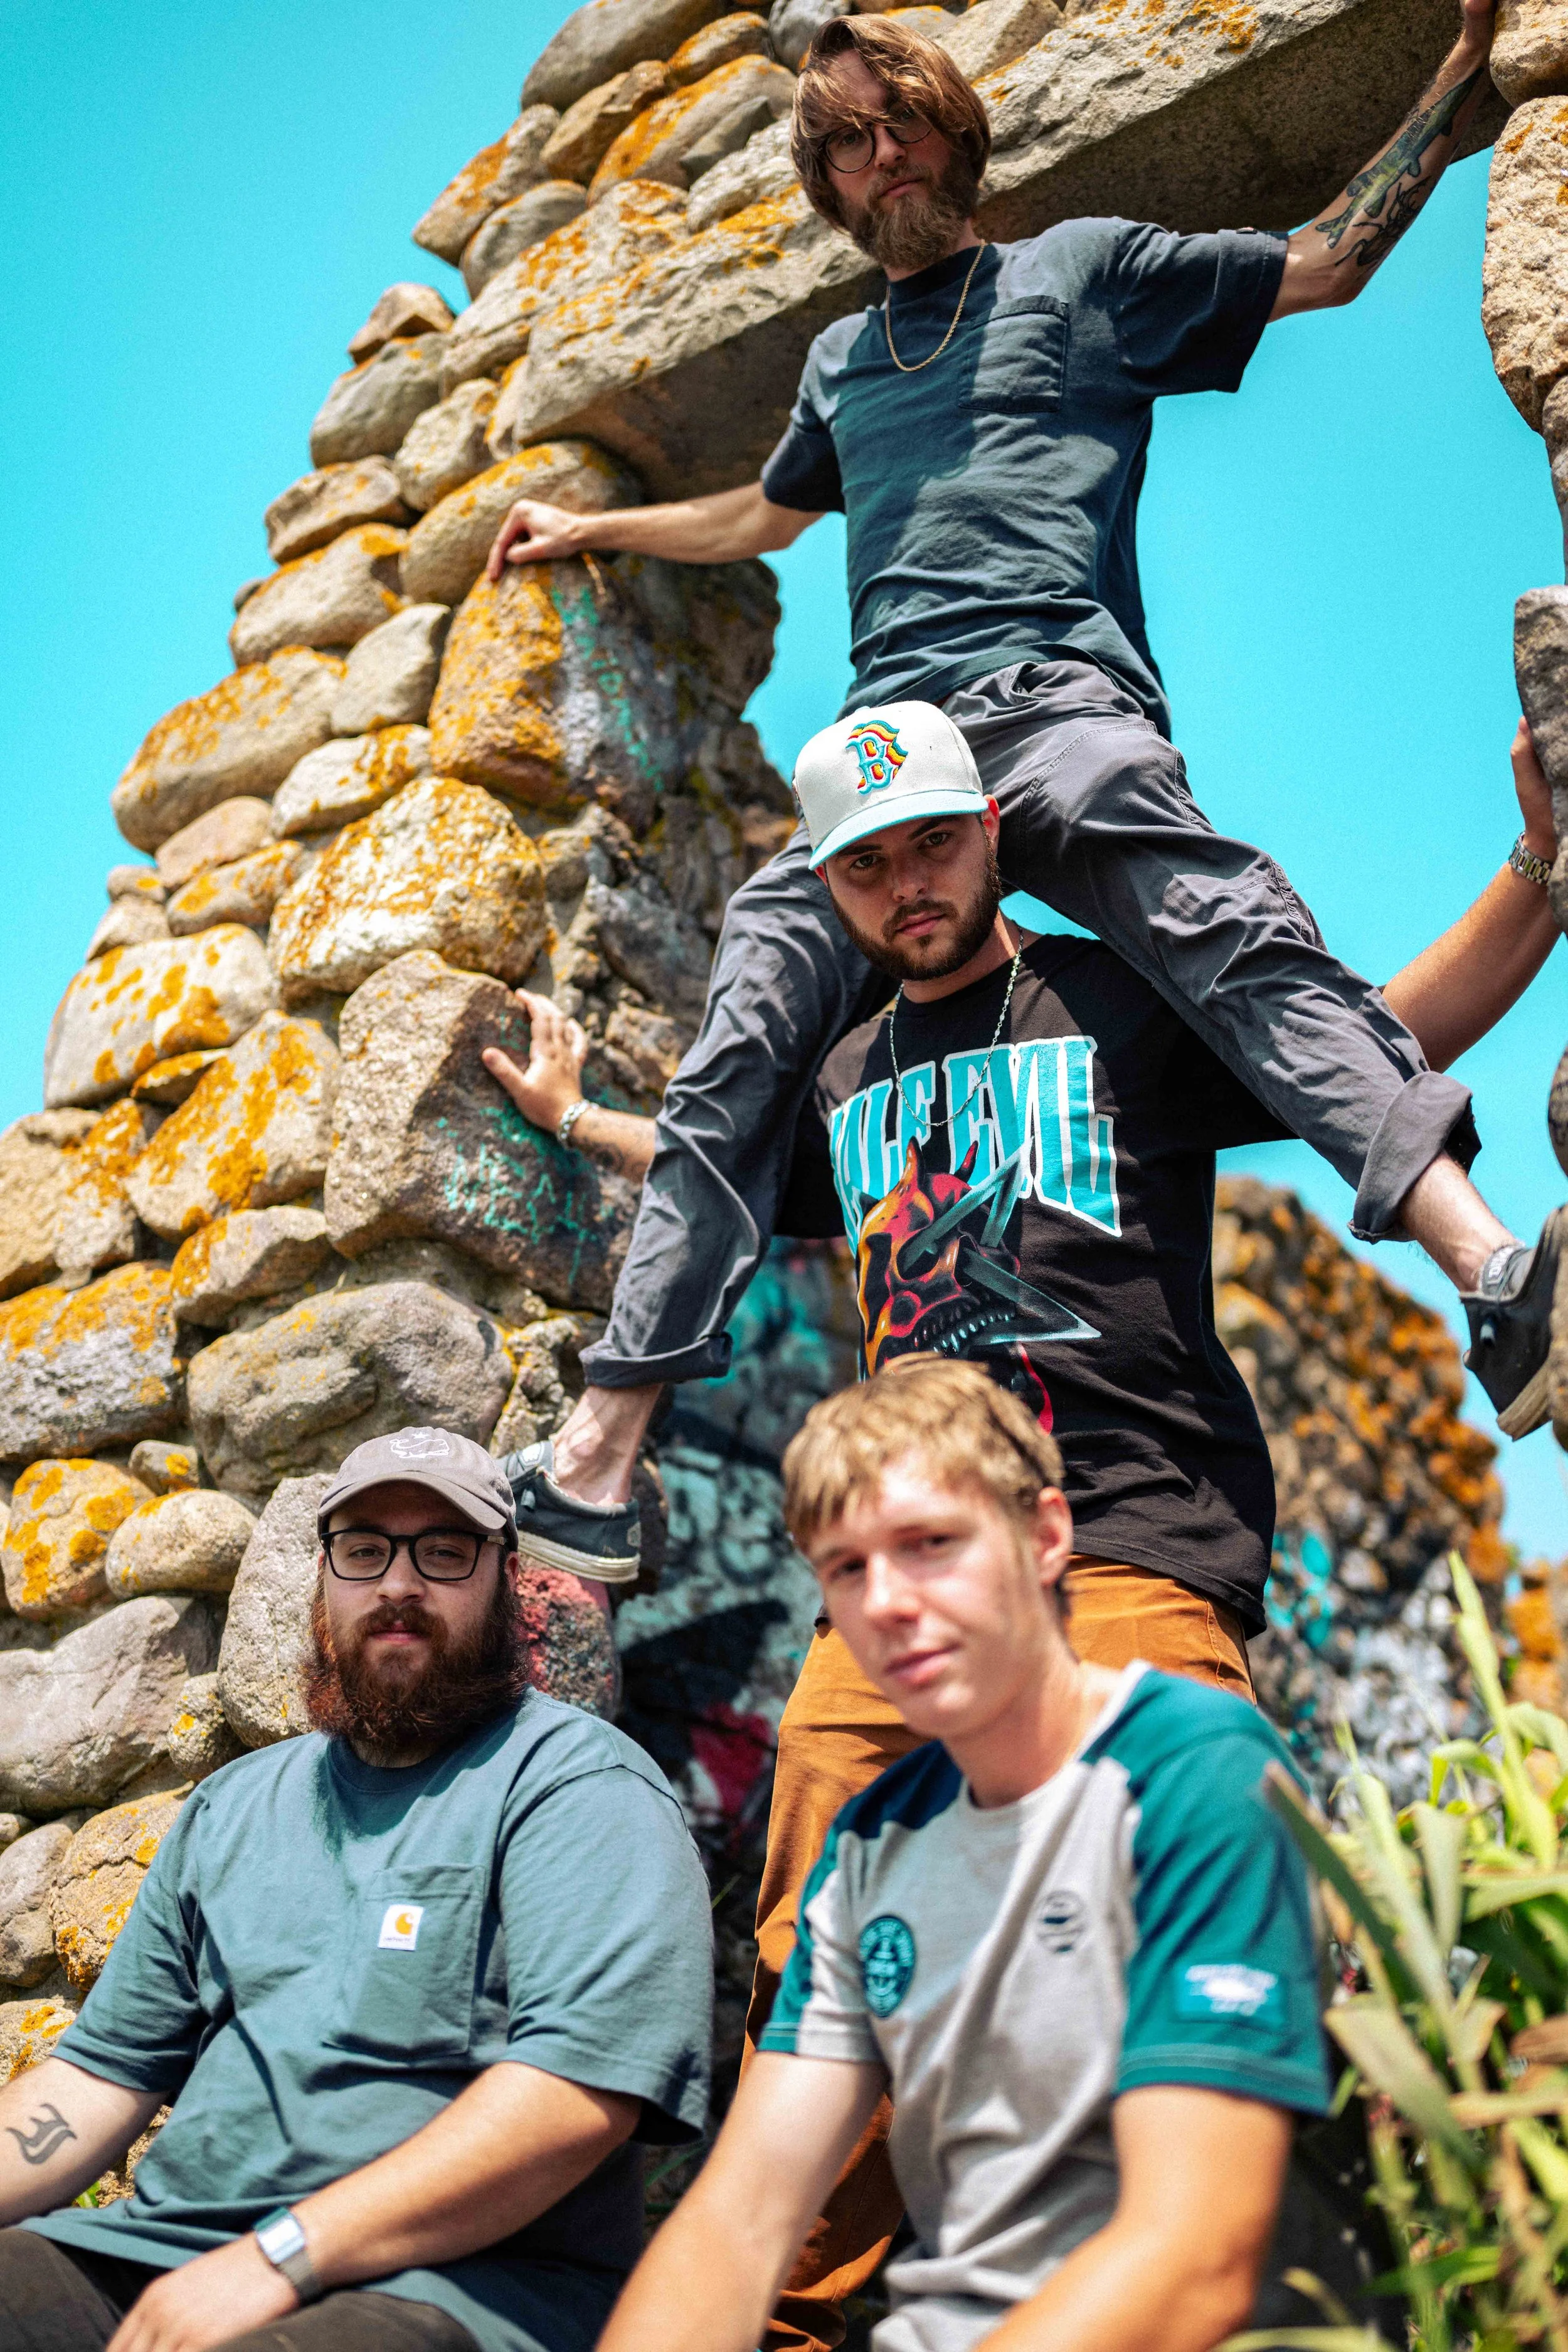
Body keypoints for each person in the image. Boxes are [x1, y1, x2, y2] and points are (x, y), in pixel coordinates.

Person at [489, 707, 1558, 2351]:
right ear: (829, 882)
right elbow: (716, 1179)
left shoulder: (1112, 992)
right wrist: (577, 1122)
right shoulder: (842, 1063)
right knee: (816, 1945)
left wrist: (1535, 876)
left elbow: (1369, 1035)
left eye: (930, 842)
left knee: (1154, 1883)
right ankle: (801, 2318)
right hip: (919, 1567)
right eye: (865, 862)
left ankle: (1195, 2282)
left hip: (1132, 1530)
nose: (906, 885)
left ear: (991, 826)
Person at [485, 0, 1562, 1562]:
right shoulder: (840, 360)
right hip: (880, 757)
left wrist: (1457, 81)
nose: (877, 158)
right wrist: (593, 532)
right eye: (842, 144)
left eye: (897, 122)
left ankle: (1488, 1279)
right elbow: (763, 521)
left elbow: (1323, 260)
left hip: (1056, 700)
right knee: (743, 1033)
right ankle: (593, 1465)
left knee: (1217, 924)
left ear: (955, 129)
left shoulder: (1077, 273)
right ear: (827, 185)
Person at [593, 1356, 1332, 2352]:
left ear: (1044, 1537)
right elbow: (740, 2221)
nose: (887, 1602)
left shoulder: (1196, 1774)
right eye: (847, 1568)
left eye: (929, 1545)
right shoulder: (872, 1843)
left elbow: (1195, 2256)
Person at [0, 1428, 712, 2352]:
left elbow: (573, 2099)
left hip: (458, 2291)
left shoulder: (576, 1789)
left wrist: (279, 2257)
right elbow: (101, 2076)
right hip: (168, 2254)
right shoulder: (233, 1806)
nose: (398, 1585)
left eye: (444, 1551)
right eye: (365, 1549)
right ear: (325, 1576)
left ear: (505, 1577)